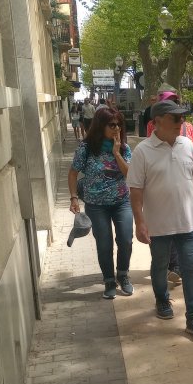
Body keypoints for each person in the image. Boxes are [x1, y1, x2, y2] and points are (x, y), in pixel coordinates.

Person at [127, 100, 193, 339]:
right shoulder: (143, 151)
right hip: (159, 226)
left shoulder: (187, 145)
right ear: (159, 121)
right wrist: (140, 222)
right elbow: (136, 191)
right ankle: (162, 299)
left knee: (191, 269)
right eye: (176, 118)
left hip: (189, 223)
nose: (181, 122)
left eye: (182, 118)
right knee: (160, 266)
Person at [68, 107, 134, 299]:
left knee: (126, 239)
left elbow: (129, 174)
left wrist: (116, 153)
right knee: (104, 244)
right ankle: (109, 280)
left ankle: (123, 275)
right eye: (112, 125)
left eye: (119, 125)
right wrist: (73, 197)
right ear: (100, 126)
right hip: (96, 206)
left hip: (121, 202)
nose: (116, 129)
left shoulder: (123, 148)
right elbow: (73, 173)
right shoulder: (86, 148)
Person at [145, 87, 193, 283]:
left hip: (184, 184)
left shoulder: (189, 128)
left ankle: (176, 267)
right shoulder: (155, 127)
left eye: (175, 100)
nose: (175, 103)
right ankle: (167, 270)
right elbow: (153, 146)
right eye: (170, 100)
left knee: (182, 223)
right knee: (165, 236)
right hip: (161, 195)